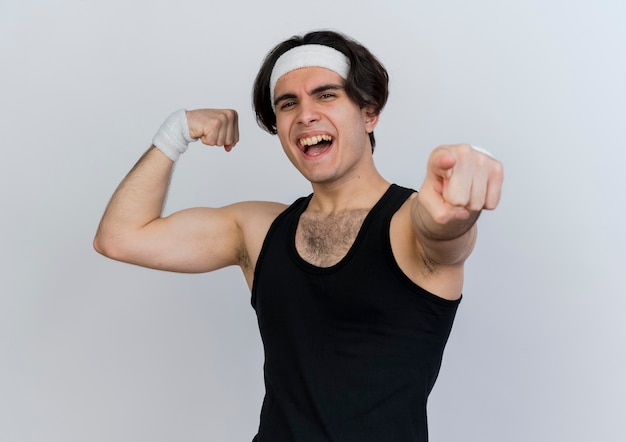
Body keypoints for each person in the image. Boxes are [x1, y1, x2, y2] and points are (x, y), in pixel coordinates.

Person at [94, 30, 503, 442]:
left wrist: (457, 210)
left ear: (369, 112)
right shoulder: (257, 231)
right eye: (288, 104)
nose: (305, 114)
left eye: (326, 95)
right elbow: (120, 237)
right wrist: (174, 132)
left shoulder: (409, 224)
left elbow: (443, 235)